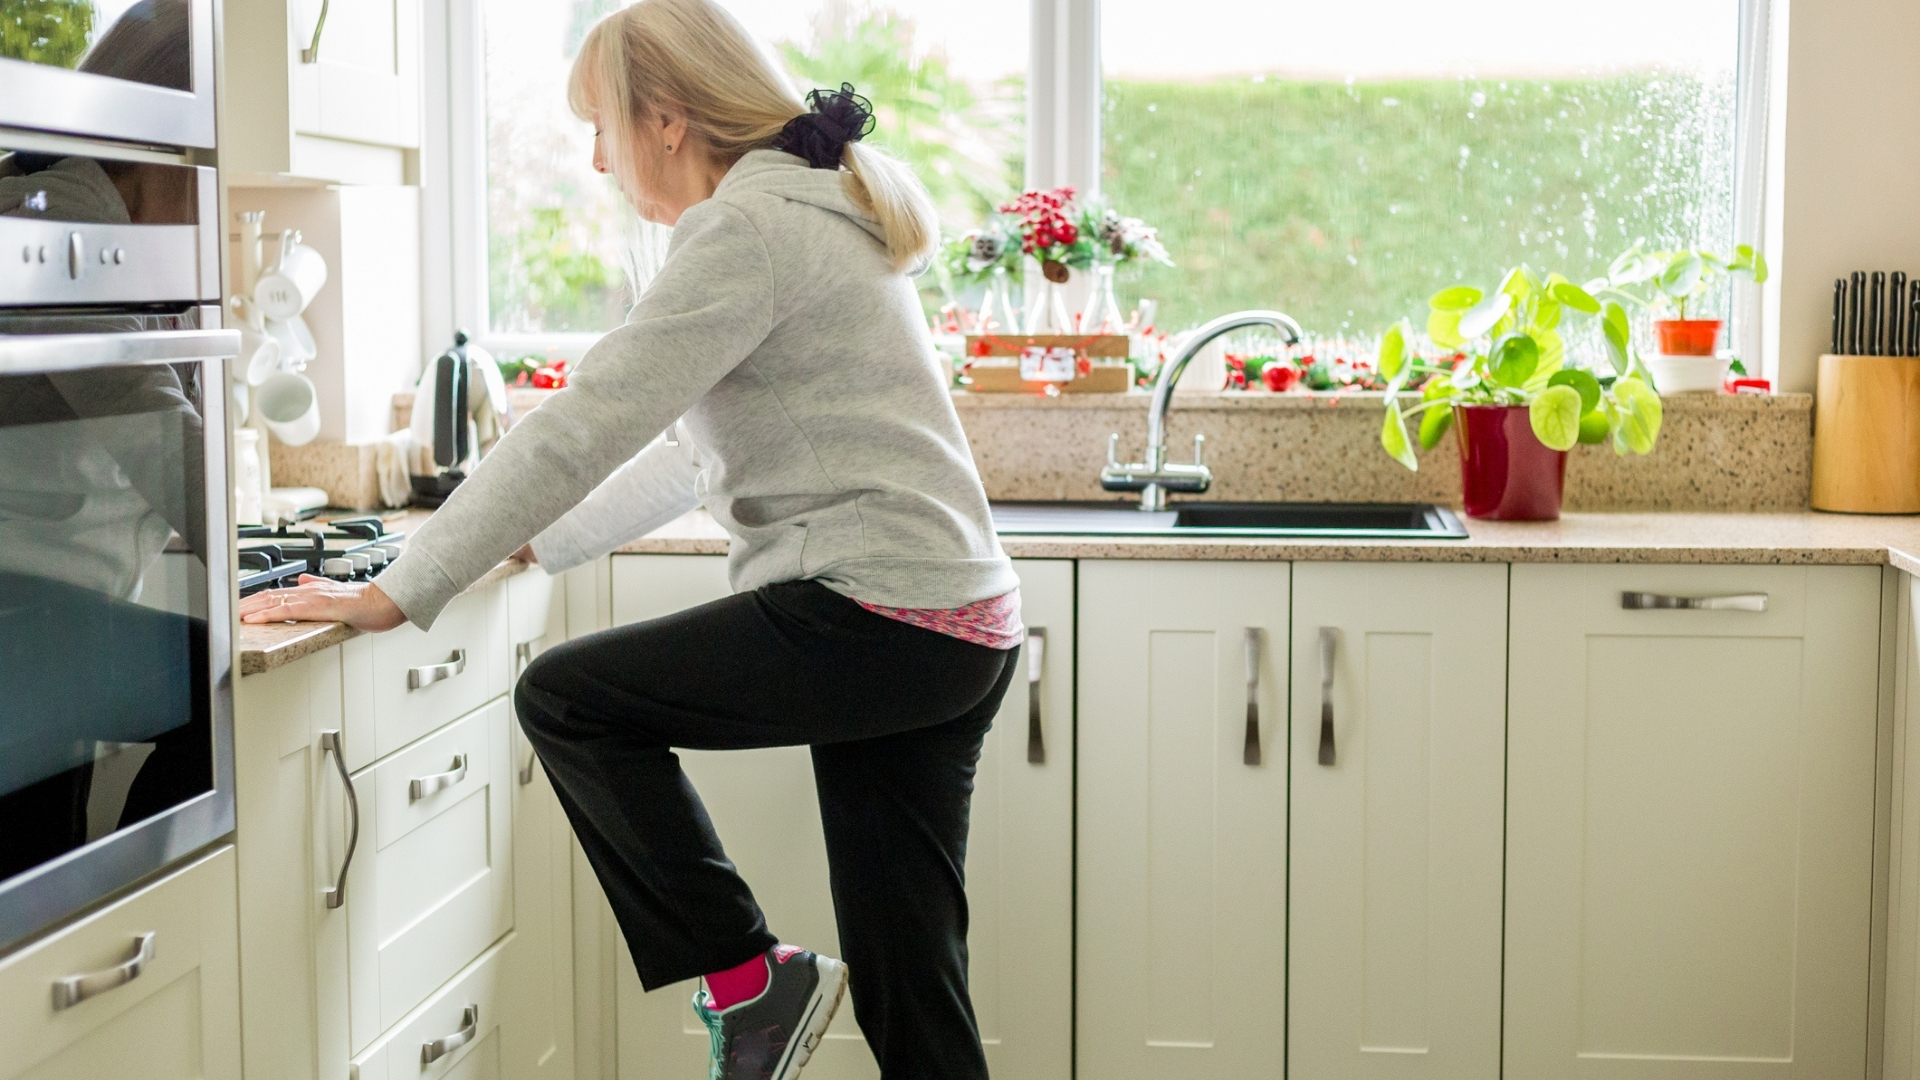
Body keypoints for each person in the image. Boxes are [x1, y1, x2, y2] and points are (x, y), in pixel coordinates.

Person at [239, 2, 1020, 1078]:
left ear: (665, 119)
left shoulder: (745, 229)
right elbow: (690, 452)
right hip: (955, 624)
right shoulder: (807, 204)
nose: (599, 160)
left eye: (601, 128)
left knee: (569, 700)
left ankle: (752, 980)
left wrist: (399, 587)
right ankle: (764, 985)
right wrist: (534, 542)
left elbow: (586, 419)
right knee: (909, 979)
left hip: (880, 611)